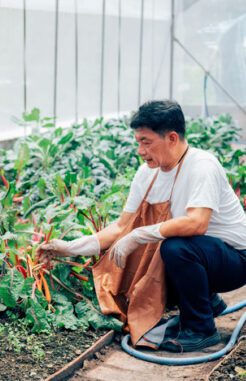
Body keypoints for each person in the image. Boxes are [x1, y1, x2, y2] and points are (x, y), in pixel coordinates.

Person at [41, 100, 246, 352]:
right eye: (138, 141)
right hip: (204, 259)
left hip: (235, 261)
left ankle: (202, 330)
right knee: (150, 274)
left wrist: (139, 234)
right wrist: (68, 248)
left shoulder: (202, 166)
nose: (140, 150)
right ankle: (207, 303)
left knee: (175, 248)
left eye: (146, 142)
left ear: (171, 138)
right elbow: (120, 228)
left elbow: (197, 223)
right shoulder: (147, 173)